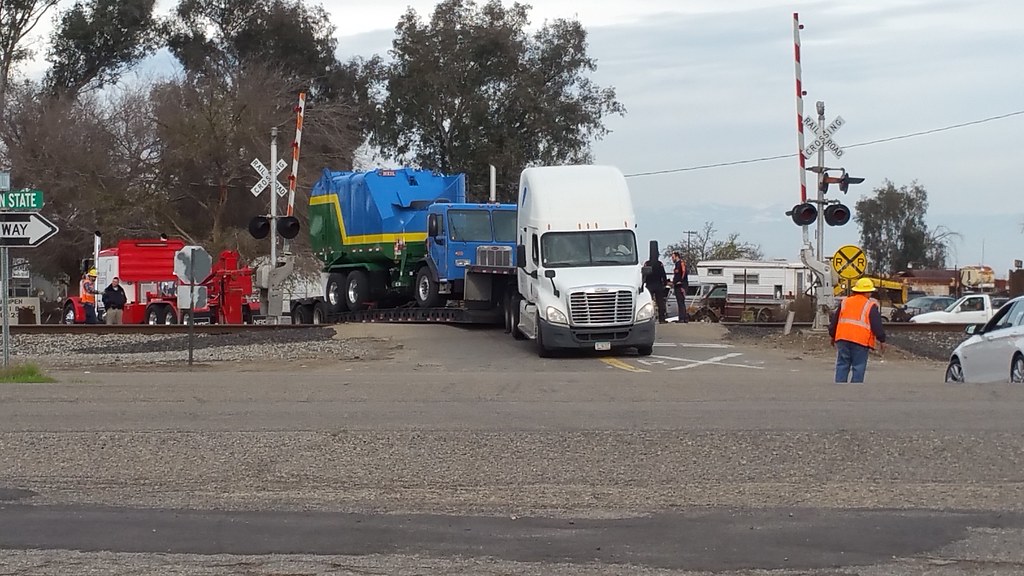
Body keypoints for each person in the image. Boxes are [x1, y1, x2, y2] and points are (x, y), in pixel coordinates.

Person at [828, 277, 887, 383]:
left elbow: (835, 321)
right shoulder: (870, 305)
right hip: (860, 341)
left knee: (842, 364)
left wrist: (832, 336)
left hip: (842, 339)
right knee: (858, 366)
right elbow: (876, 324)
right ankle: (855, 390)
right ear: (867, 292)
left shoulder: (845, 302)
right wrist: (882, 340)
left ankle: (839, 388)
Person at [644, 257, 669, 323]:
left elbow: (644, 274)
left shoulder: (647, 263)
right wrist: (665, 283)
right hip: (658, 284)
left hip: (649, 285)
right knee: (660, 303)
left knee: (648, 302)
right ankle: (662, 319)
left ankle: (647, 319)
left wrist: (643, 283)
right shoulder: (660, 264)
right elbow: (663, 274)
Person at [670, 251, 689, 323]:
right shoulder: (676, 265)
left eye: (673, 257)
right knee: (679, 302)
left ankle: (683, 318)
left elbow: (684, 272)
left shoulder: (681, 263)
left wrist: (681, 281)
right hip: (677, 285)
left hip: (681, 285)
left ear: (677, 256)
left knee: (681, 302)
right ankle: (681, 317)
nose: (672, 259)